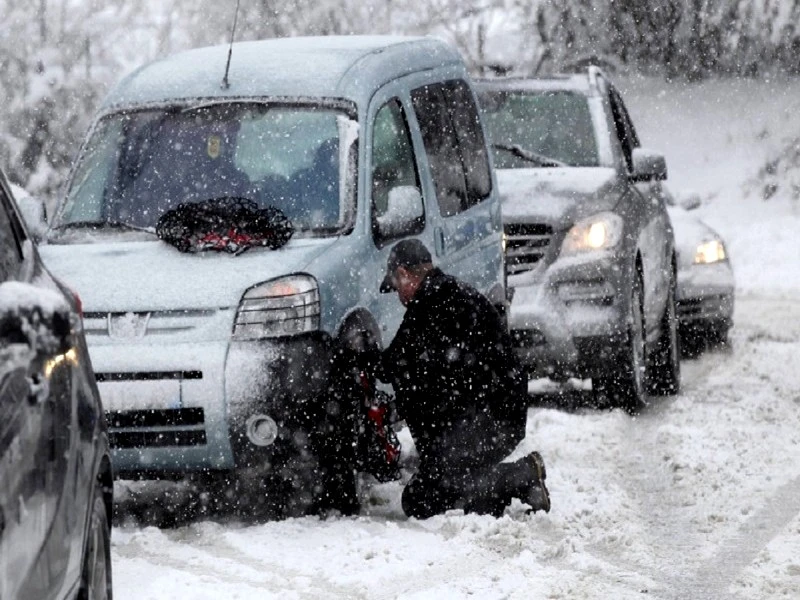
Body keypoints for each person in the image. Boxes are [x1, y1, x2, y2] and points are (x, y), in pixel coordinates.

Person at [376, 239, 551, 519]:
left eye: (397, 287)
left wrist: (355, 356)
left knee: (420, 500)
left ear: (405, 275)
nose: (399, 297)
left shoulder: (430, 304)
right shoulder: (449, 293)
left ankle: (521, 473)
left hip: (485, 422)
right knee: (474, 502)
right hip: (495, 416)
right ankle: (501, 485)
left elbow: (393, 364)